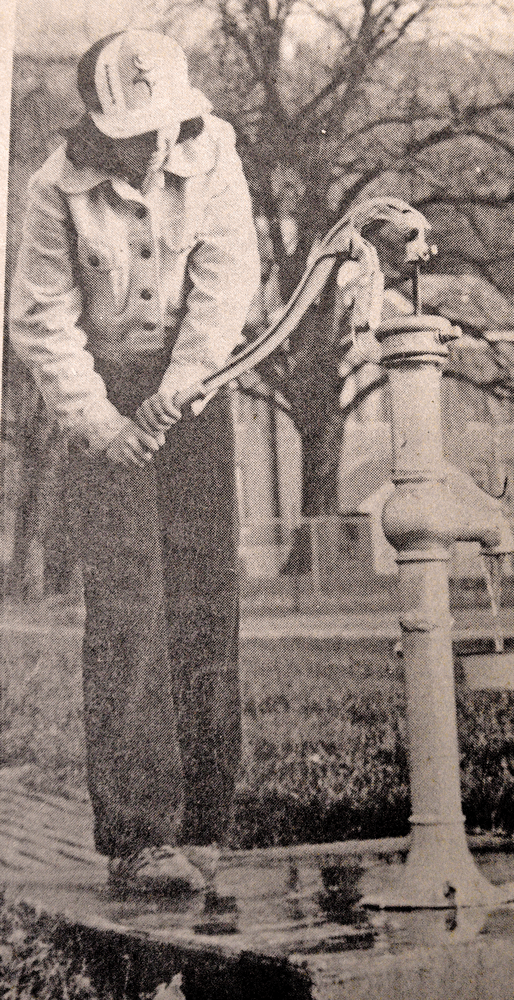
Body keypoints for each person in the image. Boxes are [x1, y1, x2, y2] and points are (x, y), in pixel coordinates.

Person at [10, 29, 261, 893]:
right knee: (126, 608)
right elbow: (42, 320)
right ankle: (138, 840)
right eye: (132, 132)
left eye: (161, 127)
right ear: (96, 124)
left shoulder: (214, 152)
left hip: (196, 388)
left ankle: (206, 824)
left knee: (204, 598)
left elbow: (228, 281)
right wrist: (103, 425)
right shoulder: (54, 190)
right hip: (102, 393)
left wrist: (182, 390)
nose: (152, 147)